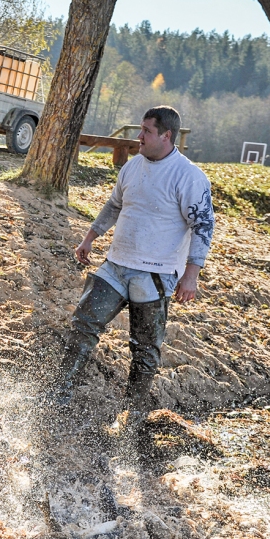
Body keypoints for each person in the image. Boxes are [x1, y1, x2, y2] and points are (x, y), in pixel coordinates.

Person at [52, 105, 215, 419]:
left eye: (147, 132)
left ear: (166, 136)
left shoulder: (189, 176)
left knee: (144, 348)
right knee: (83, 324)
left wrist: (191, 274)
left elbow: (203, 225)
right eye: (141, 130)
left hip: (155, 274)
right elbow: (114, 205)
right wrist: (90, 237)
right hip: (115, 265)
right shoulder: (132, 167)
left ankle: (133, 413)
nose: (139, 137)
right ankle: (60, 396)